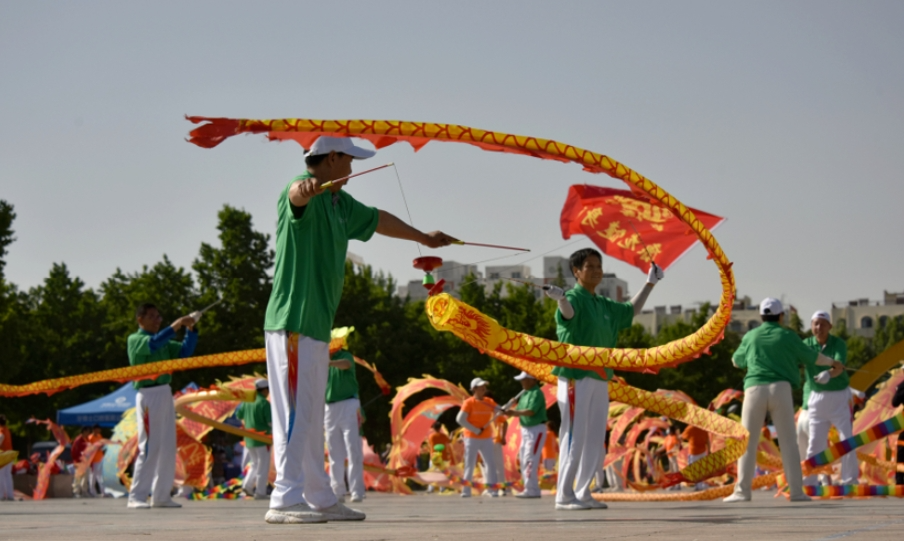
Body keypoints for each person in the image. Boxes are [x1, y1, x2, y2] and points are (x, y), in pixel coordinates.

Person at [263, 136, 456, 524]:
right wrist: (310, 186)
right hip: (293, 323)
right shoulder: (303, 190)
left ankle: (319, 496)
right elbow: (297, 195)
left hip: (316, 324)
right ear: (332, 158)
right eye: (349, 161)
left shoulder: (340, 202)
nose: (352, 169)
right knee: (296, 415)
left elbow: (378, 218)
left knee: (312, 416)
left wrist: (423, 238)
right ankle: (284, 499)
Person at [544, 248, 663, 510]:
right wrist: (560, 299)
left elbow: (630, 311)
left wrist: (650, 283)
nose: (597, 270)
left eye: (599, 266)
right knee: (574, 435)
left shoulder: (603, 304)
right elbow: (568, 315)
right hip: (576, 376)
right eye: (590, 266)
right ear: (576, 272)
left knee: (595, 437)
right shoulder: (573, 297)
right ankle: (564, 495)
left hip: (600, 376)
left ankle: (583, 491)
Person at [723, 298, 843, 503]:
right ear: (781, 316)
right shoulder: (788, 335)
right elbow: (812, 356)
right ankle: (796, 492)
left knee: (747, 443)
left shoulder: (751, 336)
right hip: (781, 389)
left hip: (754, 390)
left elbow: (736, 361)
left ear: (761, 316)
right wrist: (833, 363)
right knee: (788, 443)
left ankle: (742, 492)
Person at [127, 303, 198, 509]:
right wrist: (177, 324)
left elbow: (185, 352)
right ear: (140, 319)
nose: (158, 320)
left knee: (167, 446)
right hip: (148, 395)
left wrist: (191, 329)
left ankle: (161, 496)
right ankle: (137, 496)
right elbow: (153, 345)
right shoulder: (136, 340)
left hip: (165, 392)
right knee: (149, 447)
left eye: (159, 316)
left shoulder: (164, 342)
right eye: (152, 316)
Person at [802, 311, 856, 486]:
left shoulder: (838, 343)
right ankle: (810, 481)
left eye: (823, 324)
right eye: (815, 324)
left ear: (830, 327)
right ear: (811, 326)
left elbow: (839, 366)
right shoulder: (805, 344)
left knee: (846, 439)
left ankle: (849, 480)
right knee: (814, 443)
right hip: (816, 398)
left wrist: (829, 374)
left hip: (839, 397)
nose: (819, 328)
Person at [324, 346, 365, 503]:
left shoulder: (344, 354)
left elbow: (346, 364)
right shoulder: (321, 356)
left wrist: (328, 363)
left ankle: (357, 491)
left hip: (349, 404)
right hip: (329, 407)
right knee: (334, 452)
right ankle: (337, 491)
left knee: (353, 449)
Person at [503, 371, 548, 498]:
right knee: (523, 459)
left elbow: (530, 411)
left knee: (530, 459)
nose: (522, 382)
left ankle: (532, 489)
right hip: (525, 429)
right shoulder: (524, 394)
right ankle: (530, 488)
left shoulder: (537, 393)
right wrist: (509, 408)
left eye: (525, 379)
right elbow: (518, 410)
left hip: (536, 429)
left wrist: (513, 412)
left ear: (533, 380)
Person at [456, 378, 500, 498]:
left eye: (484, 386)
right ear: (474, 389)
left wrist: (504, 409)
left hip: (486, 438)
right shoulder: (469, 402)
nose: (484, 388)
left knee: (490, 463)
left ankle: (492, 490)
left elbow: (499, 410)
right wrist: (475, 430)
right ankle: (466, 490)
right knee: (470, 464)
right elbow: (460, 419)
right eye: (481, 387)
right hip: (471, 437)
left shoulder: (489, 401)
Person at [237, 379, 273, 500]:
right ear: (264, 390)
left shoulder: (247, 402)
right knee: (263, 466)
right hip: (263, 439)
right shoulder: (264, 403)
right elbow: (271, 423)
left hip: (249, 439)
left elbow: (239, 416)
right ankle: (260, 492)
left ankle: (247, 485)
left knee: (254, 464)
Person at [682, 423, 710, 490]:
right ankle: (700, 484)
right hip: (703, 452)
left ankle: (699, 485)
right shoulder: (704, 427)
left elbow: (684, 437)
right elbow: (707, 440)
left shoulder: (690, 428)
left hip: (693, 452)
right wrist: (709, 450)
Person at [70, 426, 91, 497]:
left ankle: (84, 491)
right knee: (78, 477)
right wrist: (76, 460)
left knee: (85, 477)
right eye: (88, 431)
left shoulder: (87, 440)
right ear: (84, 431)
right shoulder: (78, 440)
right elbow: (73, 451)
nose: (89, 433)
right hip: (79, 462)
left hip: (86, 462)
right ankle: (76, 492)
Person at [87, 425, 106, 497]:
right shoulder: (90, 437)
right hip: (94, 459)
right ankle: (92, 491)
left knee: (100, 476)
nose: (99, 431)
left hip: (100, 458)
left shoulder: (99, 436)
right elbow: (90, 448)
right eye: (98, 429)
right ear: (94, 429)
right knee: (93, 476)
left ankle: (103, 491)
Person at [0, 415, 14, 501]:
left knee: (1, 475)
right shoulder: (7, 429)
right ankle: (10, 495)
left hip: (3, 454)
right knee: (8, 475)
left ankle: (1, 495)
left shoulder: (1, 429)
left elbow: (1, 437)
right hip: (10, 453)